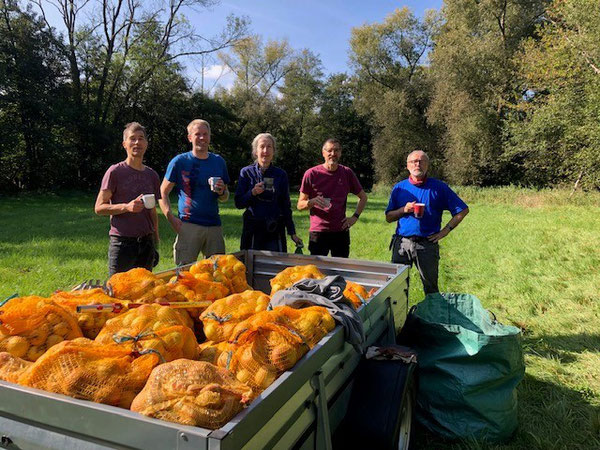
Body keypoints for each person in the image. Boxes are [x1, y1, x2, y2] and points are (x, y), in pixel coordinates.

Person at [385, 150, 469, 294]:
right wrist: (403, 210)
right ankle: (400, 316)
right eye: (413, 161)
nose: (417, 164)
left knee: (431, 288)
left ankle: (430, 316)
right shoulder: (399, 188)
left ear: (427, 165)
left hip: (427, 245)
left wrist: (445, 231)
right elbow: (389, 217)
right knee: (396, 288)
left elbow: (462, 210)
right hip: (402, 243)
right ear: (407, 166)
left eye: (421, 161)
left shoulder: (439, 187)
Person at [159, 119, 230, 265]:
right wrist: (170, 218)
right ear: (190, 137)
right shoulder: (180, 161)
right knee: (184, 275)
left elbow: (225, 197)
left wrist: (222, 191)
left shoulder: (218, 161)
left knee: (217, 274)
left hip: (214, 226)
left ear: (210, 137)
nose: (202, 138)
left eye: (205, 134)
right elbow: (162, 192)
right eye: (198, 134)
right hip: (188, 225)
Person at [95, 122, 161, 276]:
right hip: (122, 243)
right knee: (119, 291)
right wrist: (126, 207)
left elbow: (152, 211)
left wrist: (155, 239)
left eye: (141, 138)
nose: (137, 142)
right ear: (124, 144)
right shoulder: (115, 172)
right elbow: (99, 207)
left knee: (145, 292)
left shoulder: (152, 175)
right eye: (132, 139)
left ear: (146, 143)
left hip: (146, 242)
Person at [297, 138, 368, 258]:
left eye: (336, 150)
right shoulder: (311, 174)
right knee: (317, 271)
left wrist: (354, 218)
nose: (333, 154)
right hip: (318, 232)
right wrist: (311, 202)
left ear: (340, 153)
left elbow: (363, 197)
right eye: (329, 150)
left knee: (341, 271)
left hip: (340, 231)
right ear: (323, 153)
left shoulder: (346, 173)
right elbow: (299, 205)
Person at [235, 133, 303, 252]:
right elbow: (239, 203)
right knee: (250, 267)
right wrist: (253, 193)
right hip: (253, 230)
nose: (265, 150)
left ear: (274, 151)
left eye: (269, 147)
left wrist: (292, 233)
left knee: (276, 268)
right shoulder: (246, 173)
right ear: (255, 151)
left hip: (275, 229)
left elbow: (286, 206)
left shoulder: (281, 175)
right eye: (262, 147)